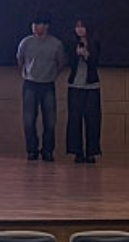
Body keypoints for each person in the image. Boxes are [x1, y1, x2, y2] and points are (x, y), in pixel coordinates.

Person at [17, 13, 67, 161]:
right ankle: (32, 150)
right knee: (28, 119)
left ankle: (48, 150)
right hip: (30, 84)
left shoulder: (56, 44)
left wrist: (52, 75)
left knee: (50, 120)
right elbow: (20, 60)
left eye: (38, 24)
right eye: (33, 24)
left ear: (46, 26)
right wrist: (26, 73)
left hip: (47, 84)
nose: (34, 27)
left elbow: (61, 63)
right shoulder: (26, 42)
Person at [66, 17, 102, 164]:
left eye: (82, 26)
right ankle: (77, 152)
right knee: (75, 120)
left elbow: (96, 62)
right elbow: (68, 62)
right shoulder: (71, 43)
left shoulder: (95, 43)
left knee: (93, 120)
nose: (79, 29)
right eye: (77, 26)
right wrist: (76, 54)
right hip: (75, 86)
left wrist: (86, 55)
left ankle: (91, 152)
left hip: (92, 86)